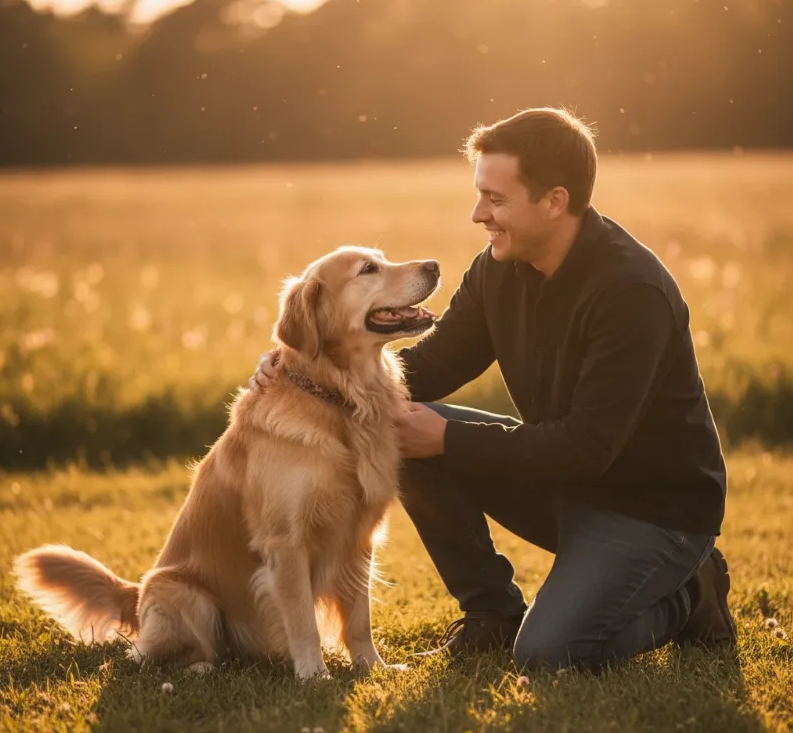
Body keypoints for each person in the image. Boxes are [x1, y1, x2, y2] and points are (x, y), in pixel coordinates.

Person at [250, 107, 736, 672]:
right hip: (565, 485)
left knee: (551, 653)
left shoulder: (632, 293)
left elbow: (590, 445)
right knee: (407, 423)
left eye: (496, 200)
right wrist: (299, 366)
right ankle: (492, 614)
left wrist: (451, 440)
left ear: (554, 201)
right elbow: (427, 368)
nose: (479, 214)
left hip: (652, 510)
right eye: (480, 195)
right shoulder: (500, 268)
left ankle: (694, 594)